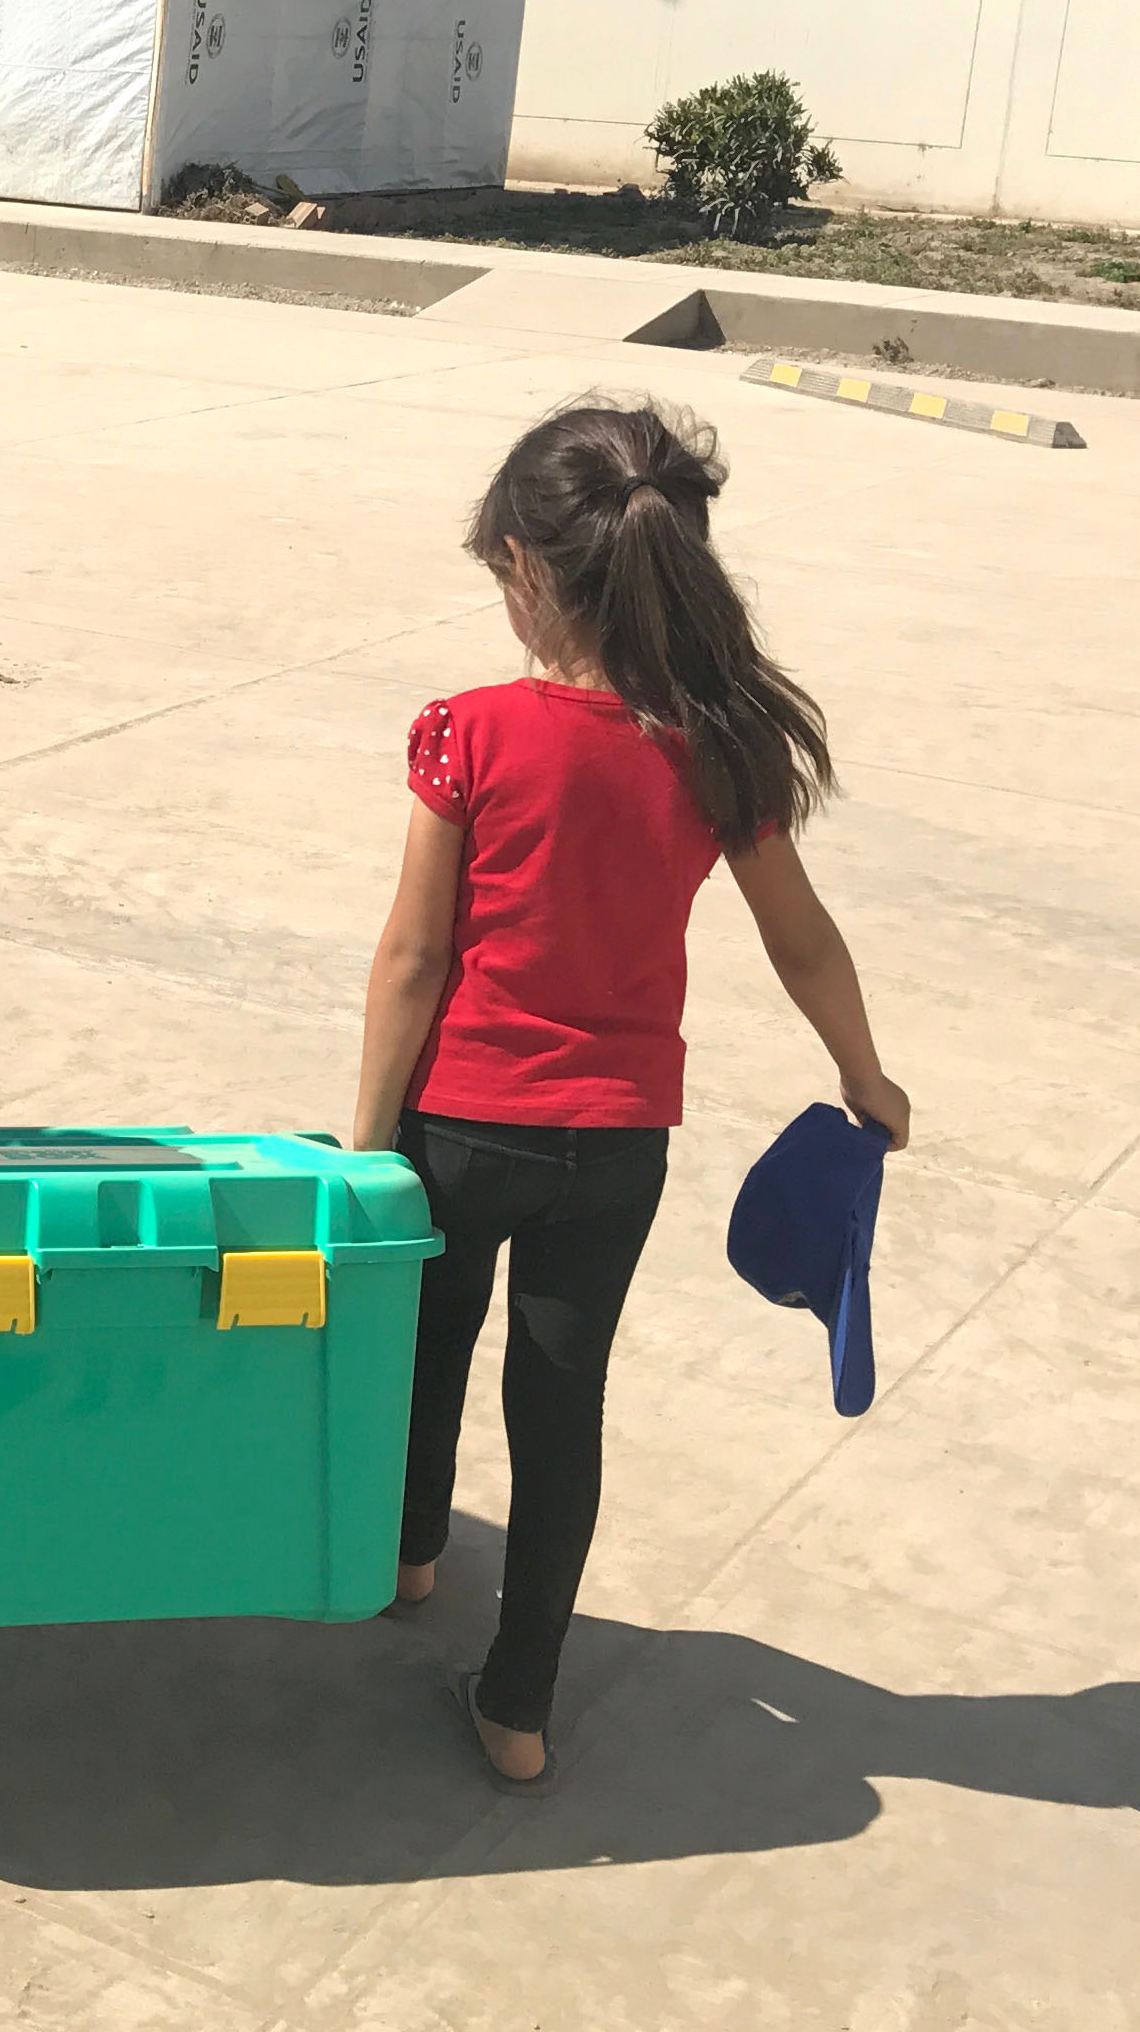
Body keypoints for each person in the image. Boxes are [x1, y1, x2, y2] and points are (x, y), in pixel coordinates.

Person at [346, 394, 909, 1793]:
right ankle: (519, 1706)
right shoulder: (716, 747)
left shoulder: (468, 734)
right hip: (614, 1146)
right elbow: (803, 936)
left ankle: (410, 1556)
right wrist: (863, 1071)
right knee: (561, 1405)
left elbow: (415, 956)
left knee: (426, 1339)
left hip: (460, 1122)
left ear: (531, 572)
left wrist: (363, 1145)